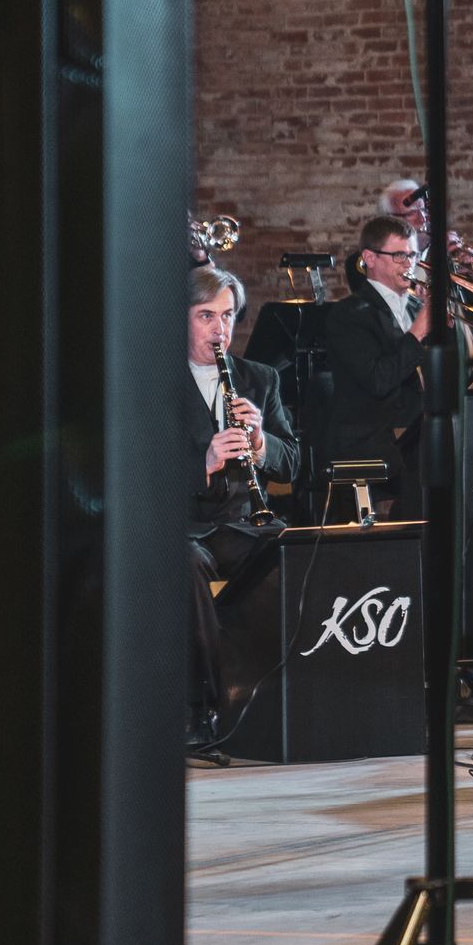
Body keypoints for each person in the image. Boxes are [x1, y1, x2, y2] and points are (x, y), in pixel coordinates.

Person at [185, 265, 298, 746]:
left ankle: (284, 701)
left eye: (228, 315)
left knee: (294, 550)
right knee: (184, 564)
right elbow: (137, 471)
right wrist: (205, 463)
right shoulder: (151, 380)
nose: (220, 329)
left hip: (241, 525)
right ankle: (202, 707)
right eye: (206, 316)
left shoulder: (259, 378)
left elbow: (292, 463)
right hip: (184, 528)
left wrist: (260, 442)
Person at [325, 215, 430, 518]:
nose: (409, 264)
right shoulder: (349, 314)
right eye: (399, 256)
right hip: (375, 443)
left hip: (419, 438)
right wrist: (417, 333)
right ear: (370, 258)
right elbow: (378, 379)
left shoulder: (419, 307)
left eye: (413, 255)